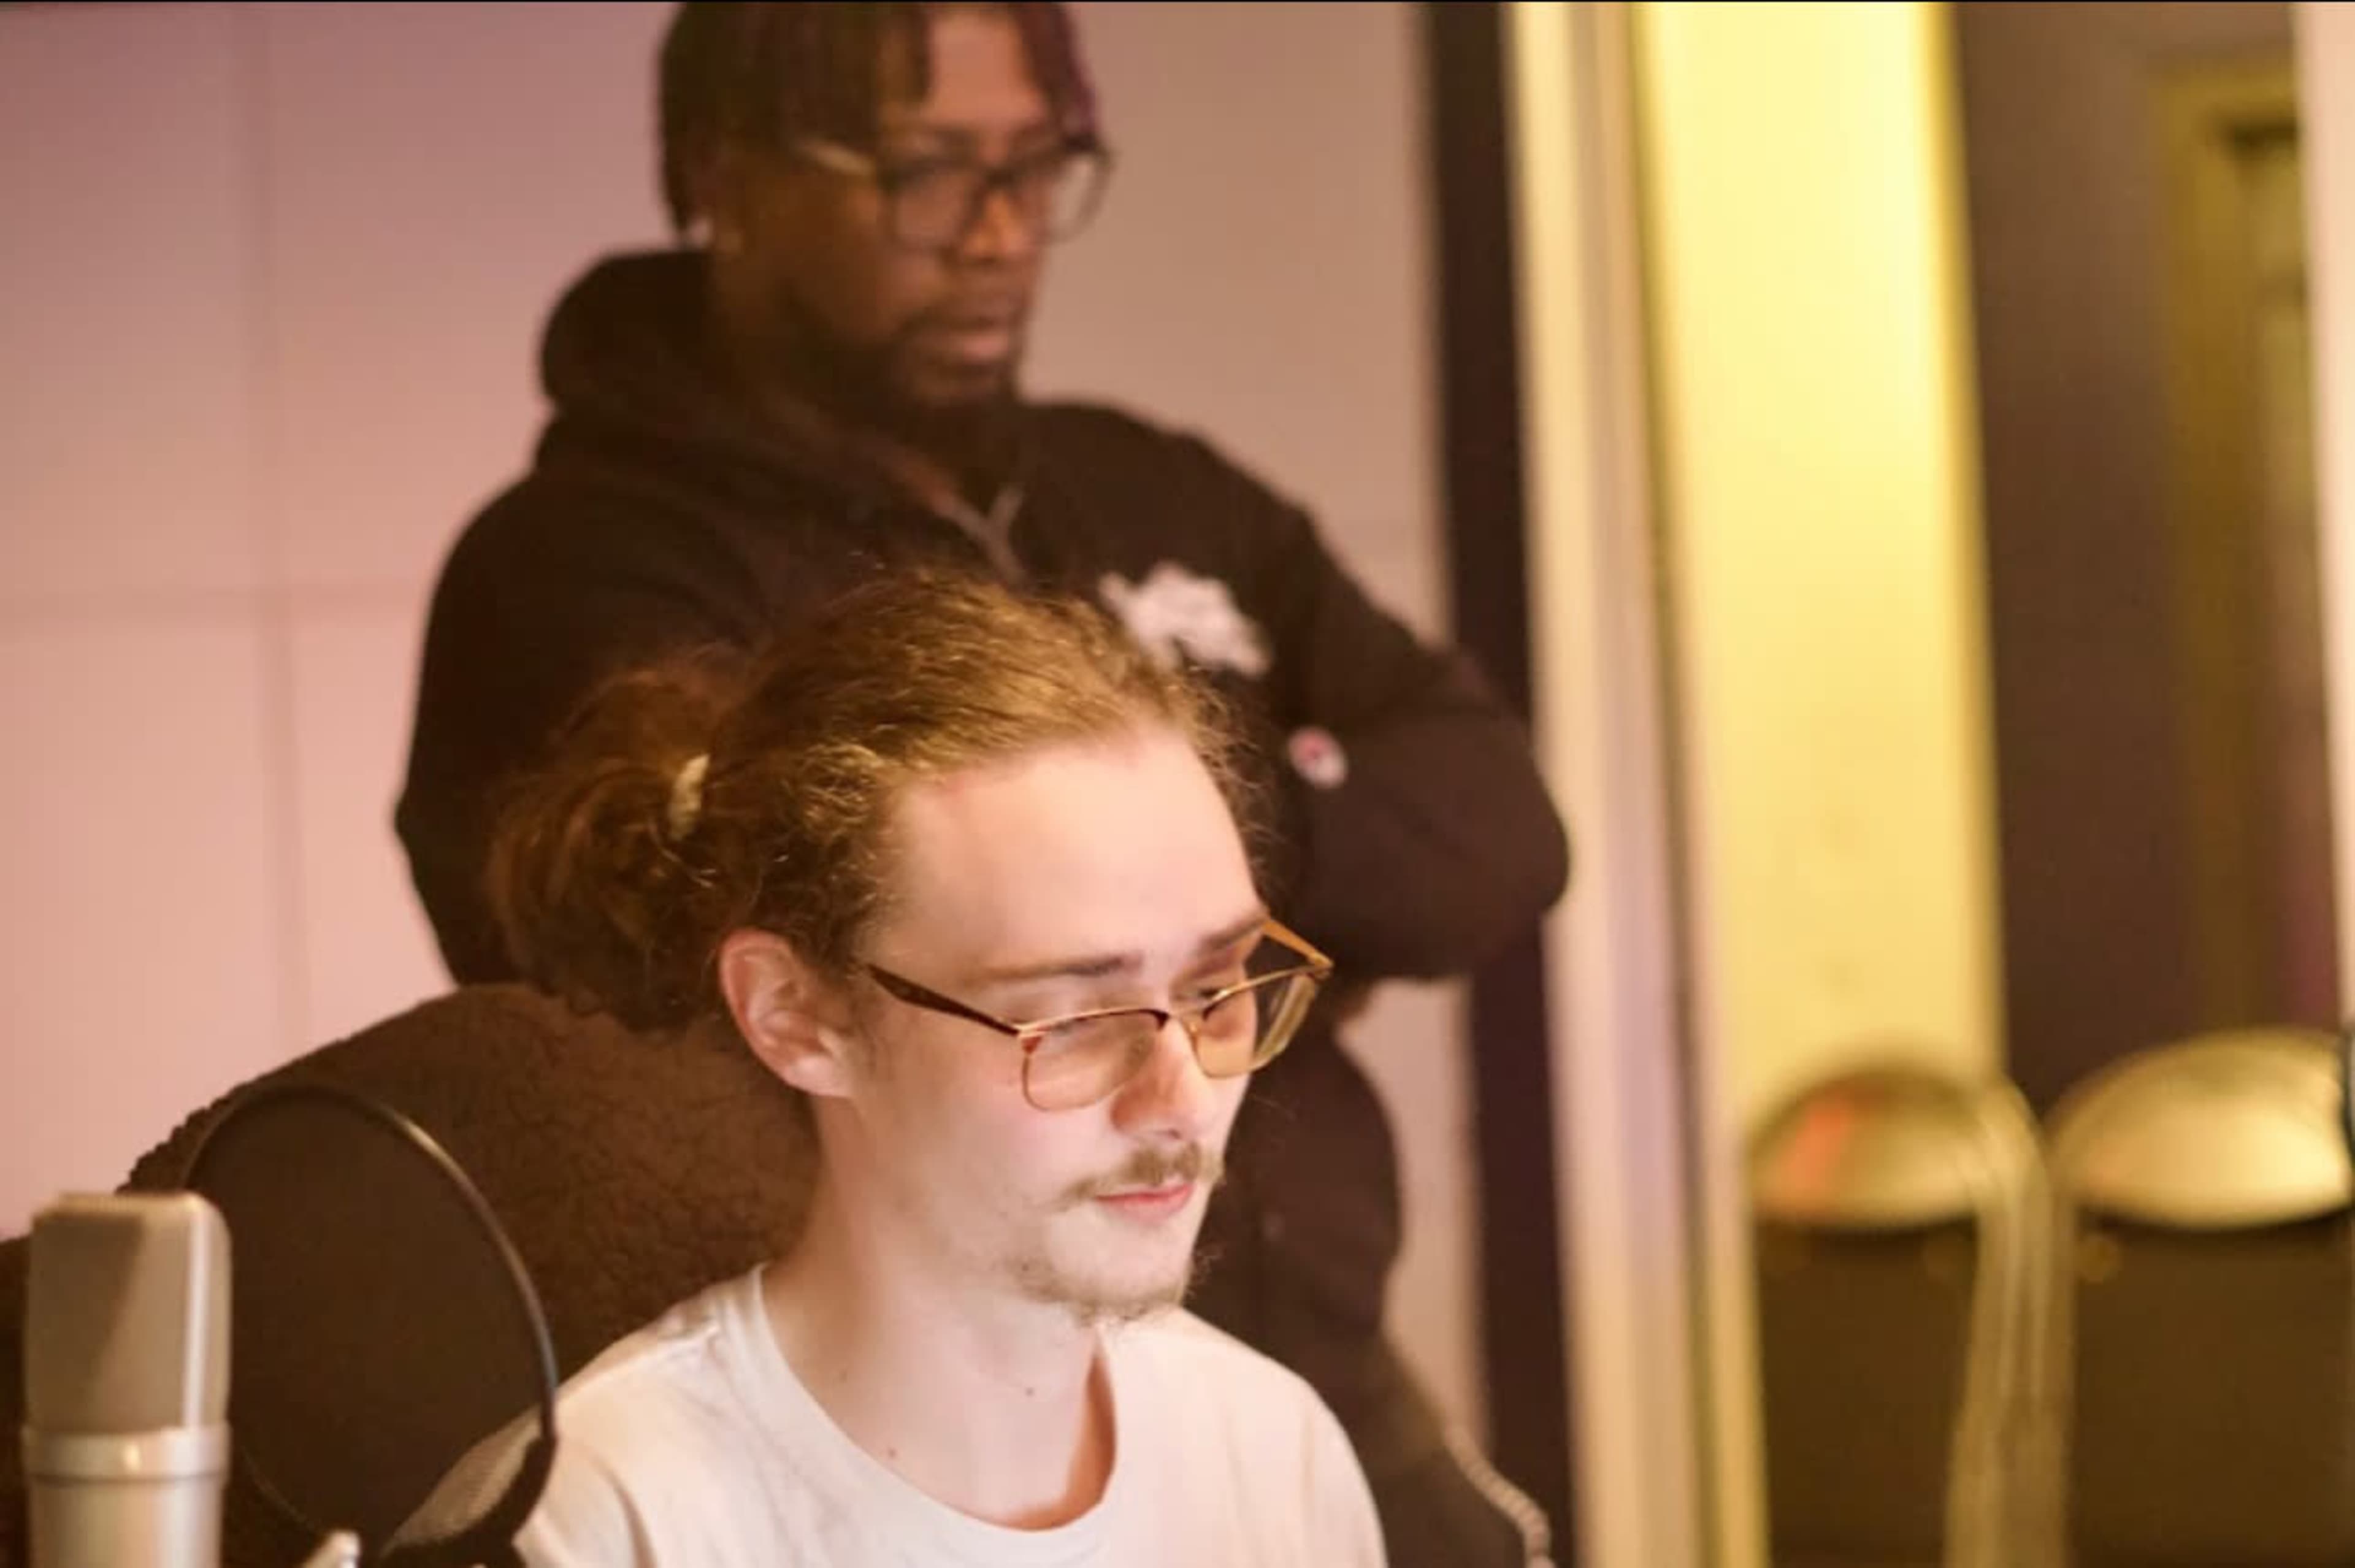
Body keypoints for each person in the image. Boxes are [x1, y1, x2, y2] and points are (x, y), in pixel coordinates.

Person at [394, 2, 1570, 1557]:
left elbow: (1498, 822)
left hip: (1278, 1376)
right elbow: (645, 994)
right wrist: (1236, 818)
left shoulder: (1149, 484)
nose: (1003, 233)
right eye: (929, 172)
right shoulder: (587, 567)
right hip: (858, 1428)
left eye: (1037, 165)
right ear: (727, 175)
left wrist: (1143, 873)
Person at [401, 572, 1385, 1566]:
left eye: (1216, 985)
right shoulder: (598, 1524)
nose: (1182, 1099)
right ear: (797, 1017)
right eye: (1078, 1017)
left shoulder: (1273, 1461)